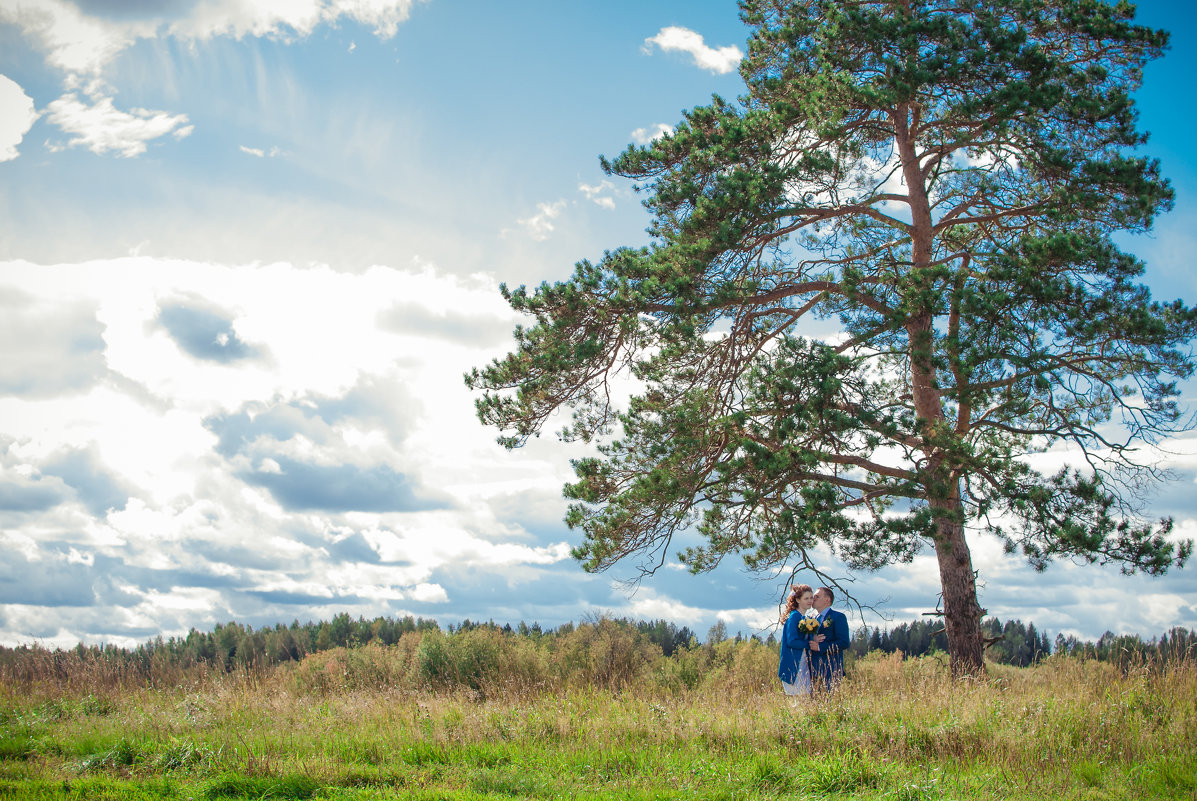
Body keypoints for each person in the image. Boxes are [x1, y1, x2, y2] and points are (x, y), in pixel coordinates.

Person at [777, 584, 823, 696]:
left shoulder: (804, 617)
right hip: (794, 664)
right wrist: (811, 644)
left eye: (811, 598)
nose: (810, 601)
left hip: (802, 662)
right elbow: (792, 641)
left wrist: (814, 637)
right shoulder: (794, 617)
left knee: (804, 697)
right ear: (797, 600)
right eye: (806, 598)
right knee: (799, 697)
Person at [806, 586, 851, 691]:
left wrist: (820, 647)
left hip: (831, 670)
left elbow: (844, 642)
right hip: (812, 670)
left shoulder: (837, 617)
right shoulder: (811, 619)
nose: (813, 599)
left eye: (817, 596)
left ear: (827, 600)